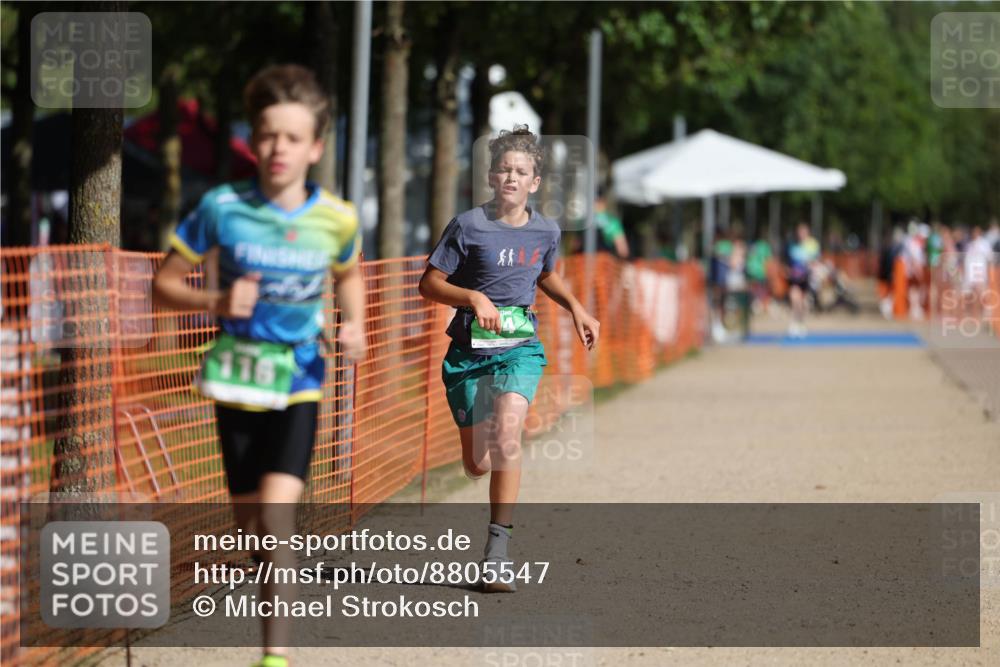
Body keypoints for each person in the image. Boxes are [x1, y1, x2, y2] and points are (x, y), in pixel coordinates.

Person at [152, 64, 365, 667]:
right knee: (252, 527)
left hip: (299, 380)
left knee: (276, 519)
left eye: (293, 138)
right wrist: (216, 301)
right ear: (253, 137)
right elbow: (162, 288)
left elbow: (349, 273)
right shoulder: (221, 208)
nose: (278, 149)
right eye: (268, 135)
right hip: (236, 381)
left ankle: (275, 657)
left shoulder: (338, 218)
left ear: (316, 148)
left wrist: (353, 327)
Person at [418, 125, 600, 592]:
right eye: (504, 169)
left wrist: (577, 308)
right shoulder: (468, 225)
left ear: (535, 182)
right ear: (492, 177)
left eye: (522, 171)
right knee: (477, 463)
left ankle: (497, 553)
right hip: (467, 355)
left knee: (507, 434)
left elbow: (545, 275)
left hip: (519, 350)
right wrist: (473, 298)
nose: (512, 177)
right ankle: (481, 476)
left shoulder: (546, 230)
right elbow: (429, 284)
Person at [785, 222, 820, 338]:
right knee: (795, 299)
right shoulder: (792, 246)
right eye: (800, 232)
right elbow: (787, 262)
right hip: (795, 279)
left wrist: (810, 266)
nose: (801, 234)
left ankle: (801, 323)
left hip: (807, 279)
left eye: (804, 232)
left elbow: (816, 262)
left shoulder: (813, 245)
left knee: (804, 303)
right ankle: (794, 323)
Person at [594, 191, 630, 259]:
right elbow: (623, 250)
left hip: (580, 263)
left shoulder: (582, 222)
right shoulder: (612, 222)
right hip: (604, 262)